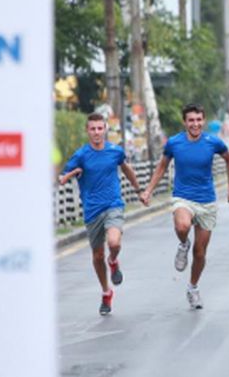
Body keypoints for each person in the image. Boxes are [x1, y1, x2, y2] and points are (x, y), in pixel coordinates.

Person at [142, 103, 229, 310]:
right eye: (191, 120)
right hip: (183, 197)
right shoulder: (174, 143)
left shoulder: (213, 142)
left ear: (203, 121)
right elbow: (162, 167)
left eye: (198, 120)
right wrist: (148, 190)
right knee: (183, 226)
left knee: (200, 253)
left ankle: (193, 287)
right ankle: (183, 244)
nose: (195, 124)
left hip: (207, 201)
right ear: (184, 122)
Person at [59, 113, 145, 315]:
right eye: (93, 129)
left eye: (100, 128)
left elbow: (127, 169)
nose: (97, 132)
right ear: (87, 131)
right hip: (91, 210)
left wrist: (139, 190)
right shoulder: (81, 155)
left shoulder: (115, 151)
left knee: (114, 243)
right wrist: (71, 174)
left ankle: (113, 261)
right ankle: (106, 291)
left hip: (113, 205)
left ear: (105, 129)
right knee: (97, 255)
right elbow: (62, 177)